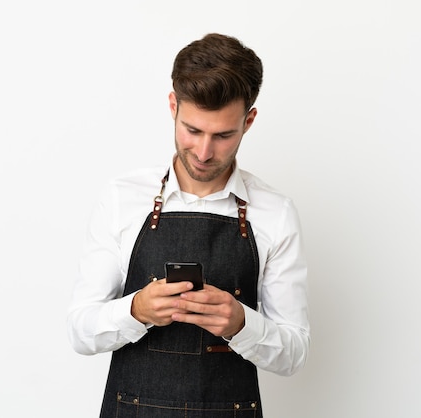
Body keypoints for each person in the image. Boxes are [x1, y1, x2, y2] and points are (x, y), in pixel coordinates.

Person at [67, 33, 310, 418]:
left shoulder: (275, 212)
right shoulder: (121, 198)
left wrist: (242, 323)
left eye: (223, 135)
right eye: (193, 130)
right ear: (172, 106)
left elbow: (294, 353)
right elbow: (80, 331)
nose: (203, 152)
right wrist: (136, 310)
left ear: (249, 121)